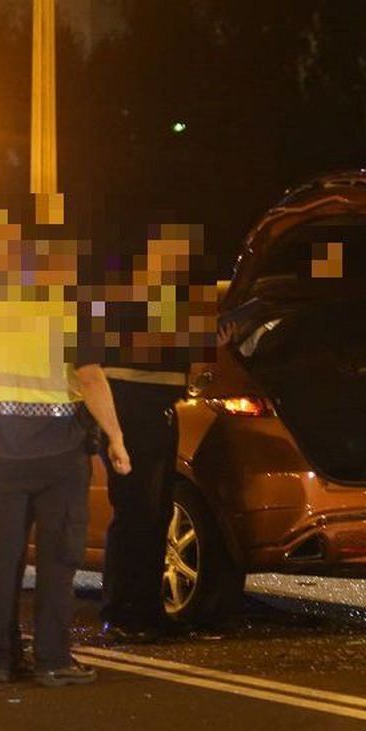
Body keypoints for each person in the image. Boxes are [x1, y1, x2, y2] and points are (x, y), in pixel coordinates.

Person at [0, 205, 131, 686]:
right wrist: (115, 438)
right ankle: (53, 660)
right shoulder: (71, 307)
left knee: (3, 555)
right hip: (60, 451)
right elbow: (91, 379)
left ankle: (4, 657)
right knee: (57, 557)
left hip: (2, 448)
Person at [91, 226, 212, 643]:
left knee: (156, 513)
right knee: (134, 512)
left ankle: (147, 608)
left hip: (160, 412)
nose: (179, 264)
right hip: (127, 413)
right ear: (150, 255)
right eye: (172, 254)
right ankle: (122, 610)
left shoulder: (174, 302)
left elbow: (192, 360)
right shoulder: (124, 299)